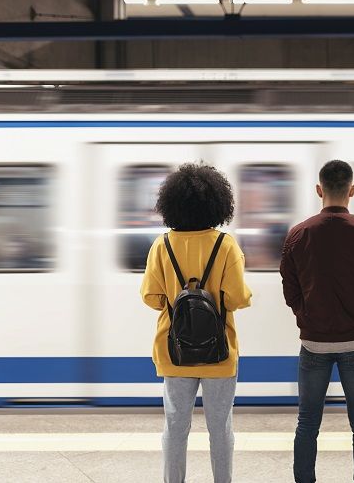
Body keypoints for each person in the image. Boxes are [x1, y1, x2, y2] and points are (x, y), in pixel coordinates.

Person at [141, 163, 252, 483]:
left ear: (171, 204)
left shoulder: (162, 245)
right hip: (219, 352)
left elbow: (150, 297)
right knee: (221, 429)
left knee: (175, 427)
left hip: (173, 351)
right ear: (218, 203)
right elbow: (236, 299)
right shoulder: (226, 245)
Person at [280, 159, 354, 483]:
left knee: (307, 421)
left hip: (312, 344)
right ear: (351, 190)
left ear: (319, 189)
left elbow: (290, 289)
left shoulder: (298, 234)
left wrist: (305, 316)